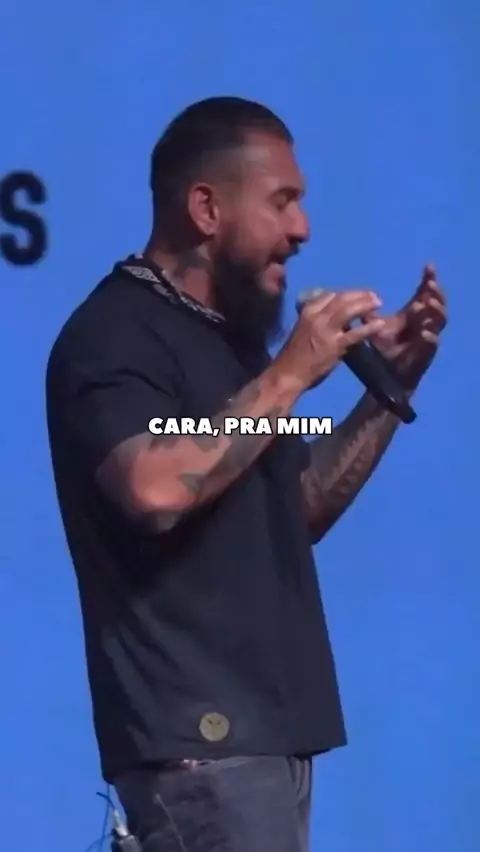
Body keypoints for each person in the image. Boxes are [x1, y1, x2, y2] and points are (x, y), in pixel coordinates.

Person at [45, 96, 447, 852]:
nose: (303, 229)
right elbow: (153, 489)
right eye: (282, 201)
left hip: (268, 741)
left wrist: (387, 391)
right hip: (199, 751)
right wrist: (288, 376)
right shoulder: (113, 334)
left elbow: (300, 505)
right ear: (207, 209)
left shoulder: (232, 346)